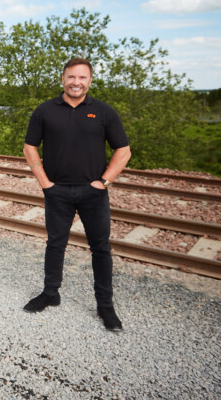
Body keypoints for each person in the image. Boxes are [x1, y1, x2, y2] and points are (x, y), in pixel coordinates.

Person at [22, 57, 131, 332]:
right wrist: (45, 182)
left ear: (90, 81)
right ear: (63, 78)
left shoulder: (104, 112)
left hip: (93, 192)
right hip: (56, 191)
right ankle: (50, 293)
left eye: (82, 78)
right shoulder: (45, 111)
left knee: (101, 248)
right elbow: (29, 147)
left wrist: (104, 182)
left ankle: (105, 305)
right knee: (55, 244)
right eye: (71, 77)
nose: (76, 82)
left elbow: (123, 150)